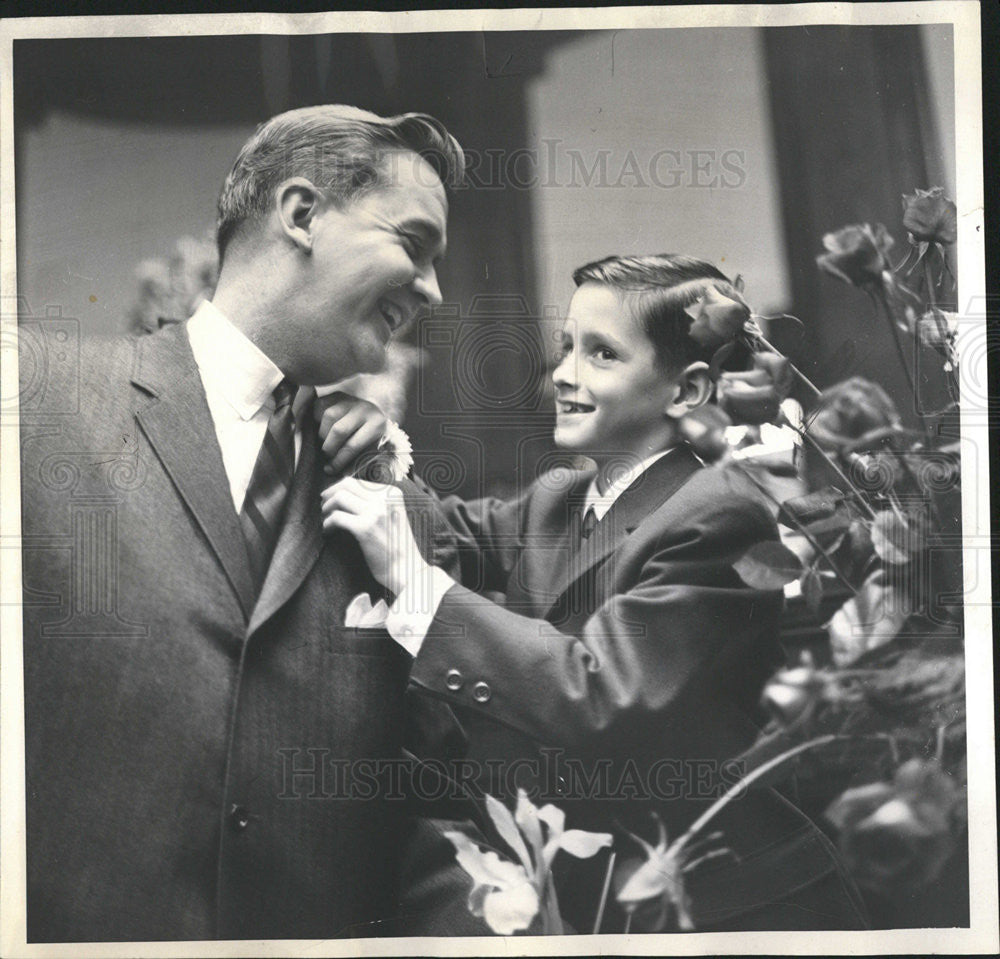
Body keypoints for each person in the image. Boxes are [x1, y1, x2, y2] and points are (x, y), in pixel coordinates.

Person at [19, 104, 484, 942]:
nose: (434, 290)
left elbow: (428, 806)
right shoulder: (34, 396)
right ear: (302, 213)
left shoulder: (392, 500)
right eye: (413, 244)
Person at [320, 254, 869, 932]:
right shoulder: (562, 495)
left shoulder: (719, 512)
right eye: (567, 348)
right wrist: (373, 446)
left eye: (602, 354)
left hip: (727, 910)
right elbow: (445, 531)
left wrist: (414, 581)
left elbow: (602, 691)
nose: (566, 375)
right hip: (606, 897)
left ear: (687, 390)